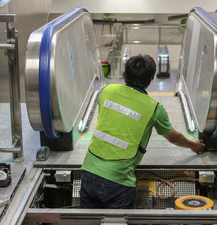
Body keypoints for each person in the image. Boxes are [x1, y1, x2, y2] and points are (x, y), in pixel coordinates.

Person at [80, 54, 205, 209]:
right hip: (118, 180)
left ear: (125, 74)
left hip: (88, 173)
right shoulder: (154, 108)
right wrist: (193, 145)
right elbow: (174, 138)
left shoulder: (107, 91)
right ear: (150, 79)